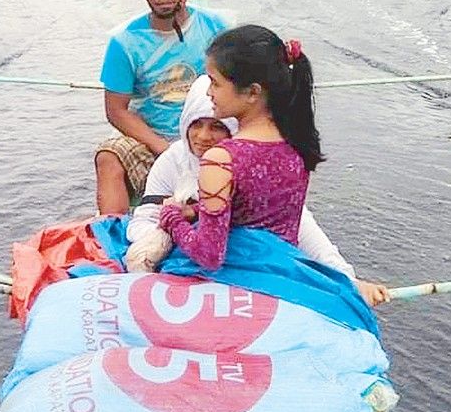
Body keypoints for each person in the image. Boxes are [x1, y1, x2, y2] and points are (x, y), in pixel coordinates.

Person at [159, 25, 390, 306]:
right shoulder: (297, 145)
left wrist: (172, 218)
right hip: (285, 273)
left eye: (215, 83)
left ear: (252, 92)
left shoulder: (221, 159)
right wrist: (196, 211)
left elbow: (209, 254)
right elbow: (263, 212)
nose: (209, 93)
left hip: (237, 279)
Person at [95, 0, 229, 215]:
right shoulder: (124, 42)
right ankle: (113, 230)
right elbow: (116, 111)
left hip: (211, 130)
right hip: (153, 136)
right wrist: (166, 149)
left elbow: (236, 88)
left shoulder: (216, 28)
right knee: (108, 157)